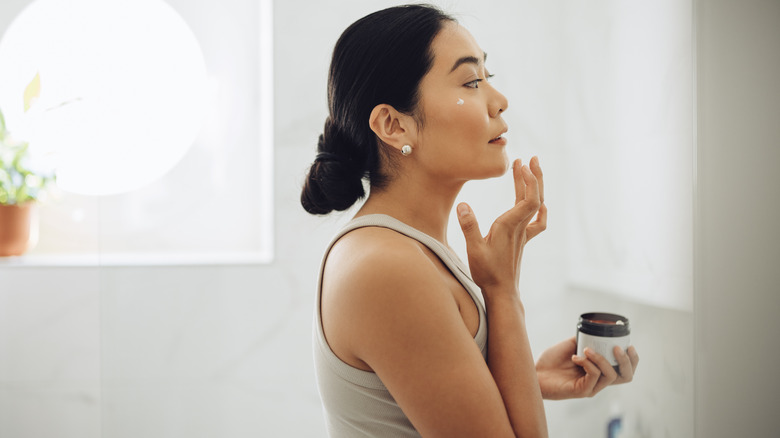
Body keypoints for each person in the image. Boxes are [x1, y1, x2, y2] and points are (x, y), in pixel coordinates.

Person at [301, 4, 639, 437]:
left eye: (487, 76)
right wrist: (502, 292)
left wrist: (530, 379)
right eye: (471, 82)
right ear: (394, 125)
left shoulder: (404, 250)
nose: (499, 101)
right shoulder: (388, 266)